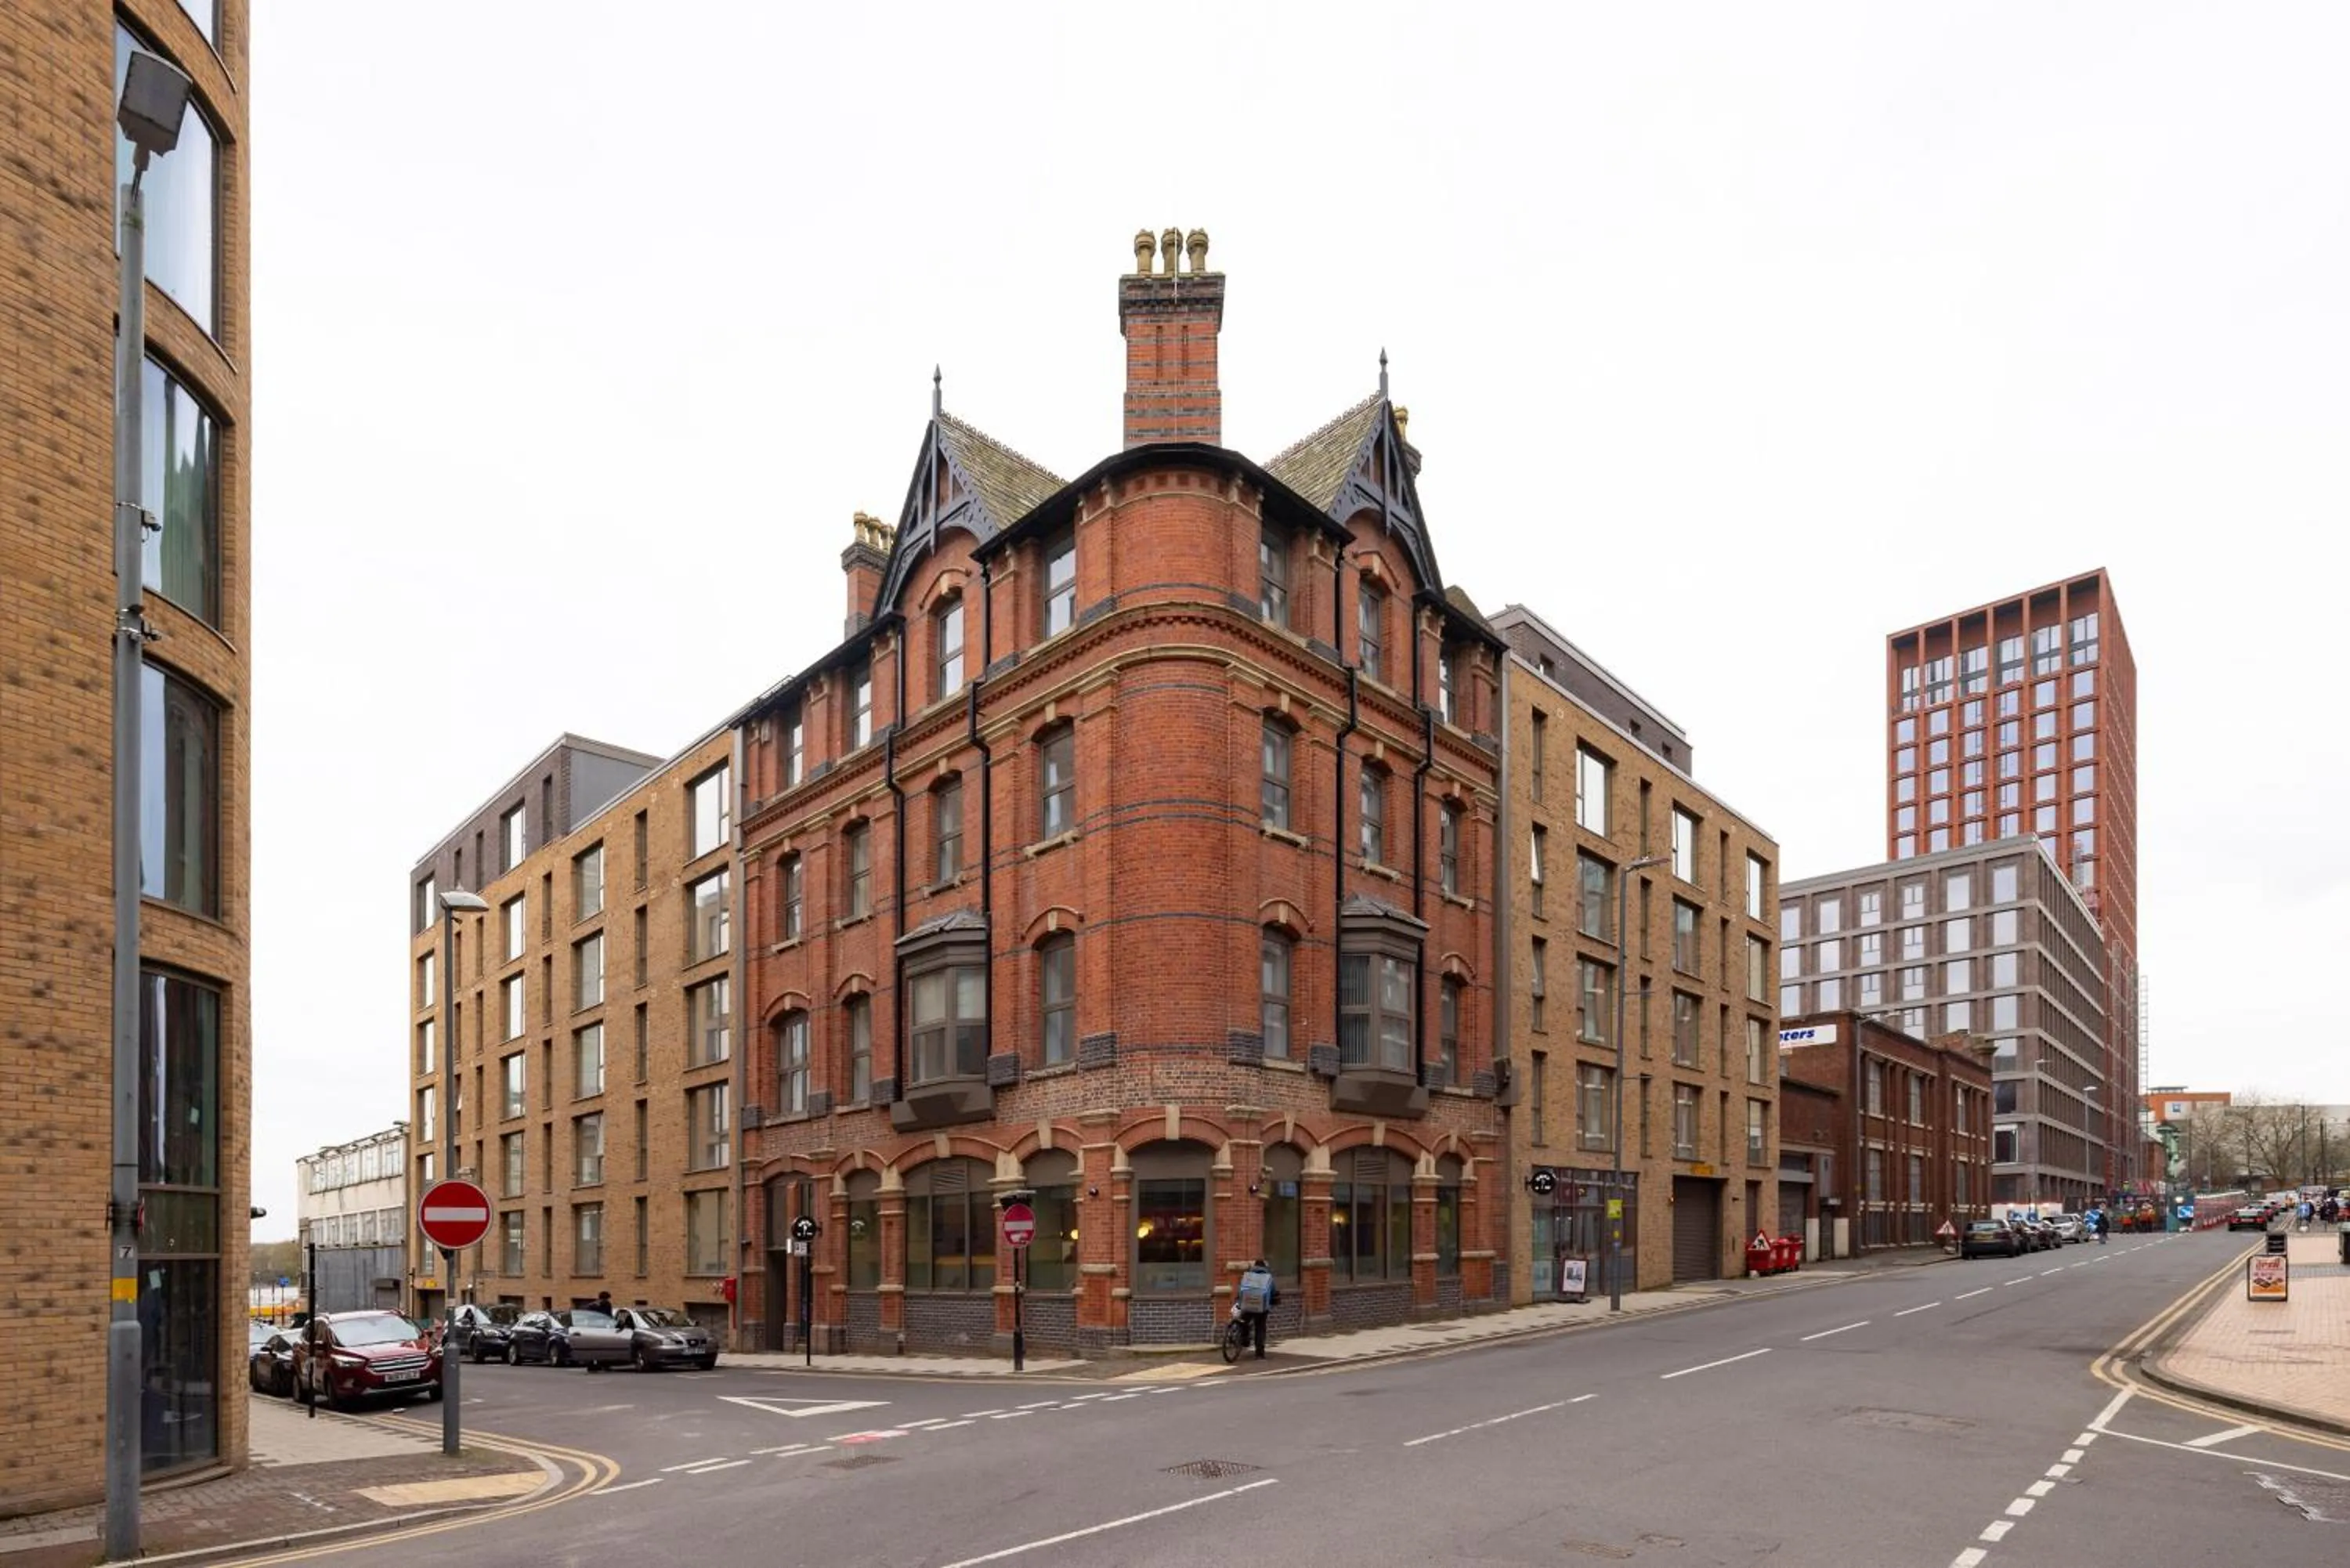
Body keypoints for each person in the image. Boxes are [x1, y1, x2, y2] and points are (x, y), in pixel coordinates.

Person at [1234, 1258, 1279, 1360]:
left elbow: (1241, 1289)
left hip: (1247, 1305)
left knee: (1243, 1322)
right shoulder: (1268, 1277)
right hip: (1261, 1307)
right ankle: (1259, 1354)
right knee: (1260, 1328)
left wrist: (1239, 1300)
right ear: (1264, 1267)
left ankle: (1244, 1339)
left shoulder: (1248, 1276)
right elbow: (1273, 1292)